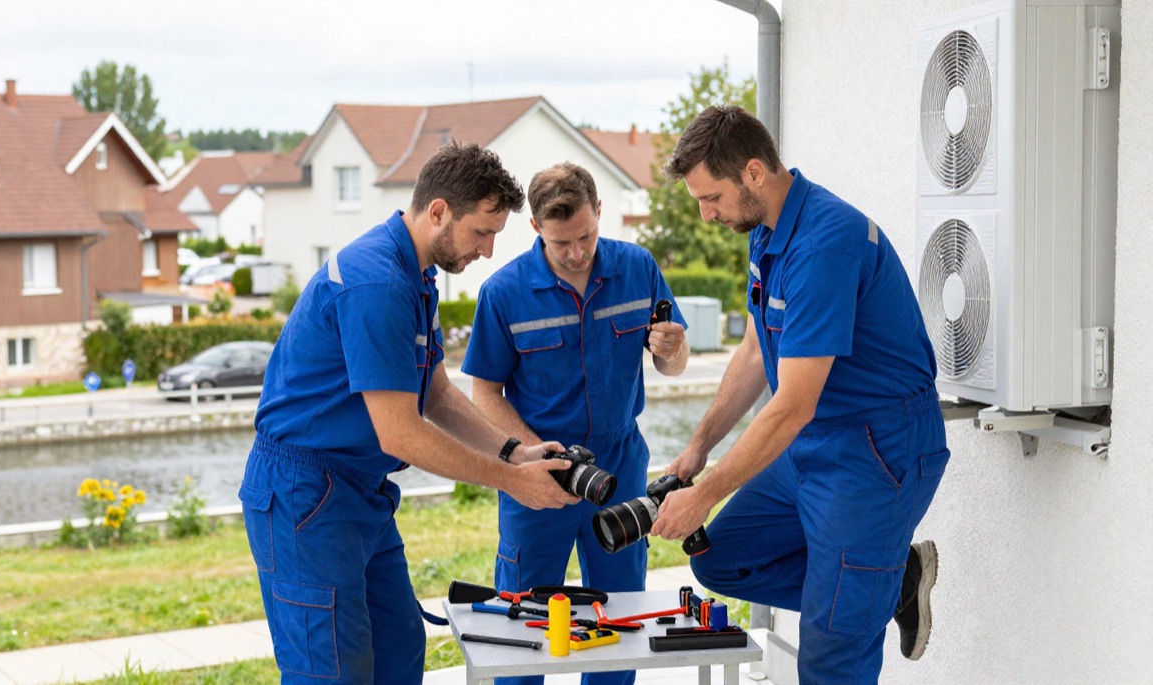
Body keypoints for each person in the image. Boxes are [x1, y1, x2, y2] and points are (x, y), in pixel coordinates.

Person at [239, 142, 579, 685]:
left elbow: (437, 394)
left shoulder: (417, 275)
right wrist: (513, 481)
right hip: (306, 495)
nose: (489, 251)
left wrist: (515, 450)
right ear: (439, 211)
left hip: (359, 490)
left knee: (399, 647)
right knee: (332, 670)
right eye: (482, 232)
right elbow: (400, 433)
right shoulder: (377, 281)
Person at [649, 105, 948, 685]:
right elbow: (759, 350)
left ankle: (861, 594)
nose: (707, 215)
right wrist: (698, 449)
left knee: (829, 656)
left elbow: (790, 404)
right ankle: (889, 580)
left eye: (711, 198)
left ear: (754, 172)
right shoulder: (766, 231)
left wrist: (704, 494)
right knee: (720, 557)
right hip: (817, 443)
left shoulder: (824, 244)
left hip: (877, 452)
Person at [461, 162, 689, 685]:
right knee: (524, 627)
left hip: (621, 465)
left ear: (600, 213)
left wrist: (671, 351)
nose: (577, 252)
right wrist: (534, 458)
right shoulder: (503, 293)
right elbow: (484, 394)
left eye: (586, 235)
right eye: (562, 241)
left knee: (620, 617)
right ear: (537, 228)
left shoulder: (638, 268)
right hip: (537, 473)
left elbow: (671, 362)